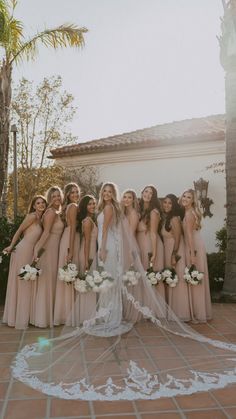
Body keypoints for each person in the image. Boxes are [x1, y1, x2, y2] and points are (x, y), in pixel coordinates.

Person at [11, 183, 236, 401]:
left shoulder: (108, 208)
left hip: (107, 247)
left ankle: (111, 315)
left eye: (111, 191)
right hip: (105, 246)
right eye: (105, 191)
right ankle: (111, 314)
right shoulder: (104, 207)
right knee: (108, 283)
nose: (108, 194)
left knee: (108, 282)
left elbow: (107, 229)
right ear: (102, 193)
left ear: (113, 194)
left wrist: (102, 252)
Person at [2, 196, 47, 329]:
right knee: (22, 283)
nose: (41, 204)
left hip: (30, 253)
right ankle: (17, 318)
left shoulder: (41, 219)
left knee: (28, 282)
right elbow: (19, 230)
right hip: (22, 251)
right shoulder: (32, 216)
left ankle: (24, 316)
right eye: (38, 203)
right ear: (33, 206)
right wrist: (11, 246)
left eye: (43, 202)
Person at [32, 186, 64, 328]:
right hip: (49, 248)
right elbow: (46, 233)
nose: (57, 198)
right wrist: (37, 249)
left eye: (58, 196)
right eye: (53, 196)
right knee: (47, 281)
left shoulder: (57, 212)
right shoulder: (51, 212)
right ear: (50, 198)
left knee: (51, 280)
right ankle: (42, 318)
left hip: (55, 248)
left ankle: (49, 314)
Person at [180, 189, 212, 322]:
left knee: (194, 277)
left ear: (193, 200)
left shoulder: (189, 214)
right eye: (184, 196)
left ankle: (198, 313)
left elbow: (188, 235)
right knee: (196, 278)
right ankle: (201, 311)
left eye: (188, 197)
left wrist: (192, 253)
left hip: (193, 246)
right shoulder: (191, 212)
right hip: (197, 244)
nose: (185, 199)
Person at [160, 194, 191, 321]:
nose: (166, 205)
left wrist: (174, 255)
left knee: (177, 282)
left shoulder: (174, 219)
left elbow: (178, 239)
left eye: (170, 203)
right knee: (171, 280)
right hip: (168, 250)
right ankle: (172, 310)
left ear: (174, 205)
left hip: (175, 251)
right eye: (165, 202)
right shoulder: (166, 217)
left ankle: (181, 313)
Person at [54, 183, 80, 326]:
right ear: (68, 195)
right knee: (70, 273)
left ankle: (64, 313)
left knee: (68, 275)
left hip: (68, 238)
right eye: (72, 193)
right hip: (71, 239)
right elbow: (72, 227)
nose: (75, 194)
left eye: (76, 192)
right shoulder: (73, 207)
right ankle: (68, 313)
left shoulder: (69, 207)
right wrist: (70, 249)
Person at [136, 185, 166, 302]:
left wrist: (154, 253)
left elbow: (153, 233)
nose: (147, 194)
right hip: (139, 244)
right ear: (142, 192)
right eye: (146, 191)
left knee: (150, 275)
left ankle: (153, 308)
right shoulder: (138, 209)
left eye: (151, 193)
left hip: (150, 244)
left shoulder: (154, 212)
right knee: (141, 276)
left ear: (154, 197)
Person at [121, 189, 142, 322]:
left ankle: (132, 312)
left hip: (130, 247)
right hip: (122, 246)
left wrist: (129, 252)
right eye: (125, 197)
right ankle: (124, 309)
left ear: (133, 200)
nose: (127, 199)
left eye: (129, 197)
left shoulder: (133, 213)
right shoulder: (123, 213)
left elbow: (131, 234)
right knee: (123, 278)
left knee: (130, 279)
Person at [77, 195, 98, 324]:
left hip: (91, 252)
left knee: (91, 284)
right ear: (85, 206)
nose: (92, 206)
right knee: (88, 283)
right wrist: (86, 260)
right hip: (87, 252)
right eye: (89, 204)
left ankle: (89, 314)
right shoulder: (87, 221)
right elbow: (86, 242)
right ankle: (86, 316)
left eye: (93, 204)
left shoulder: (91, 219)